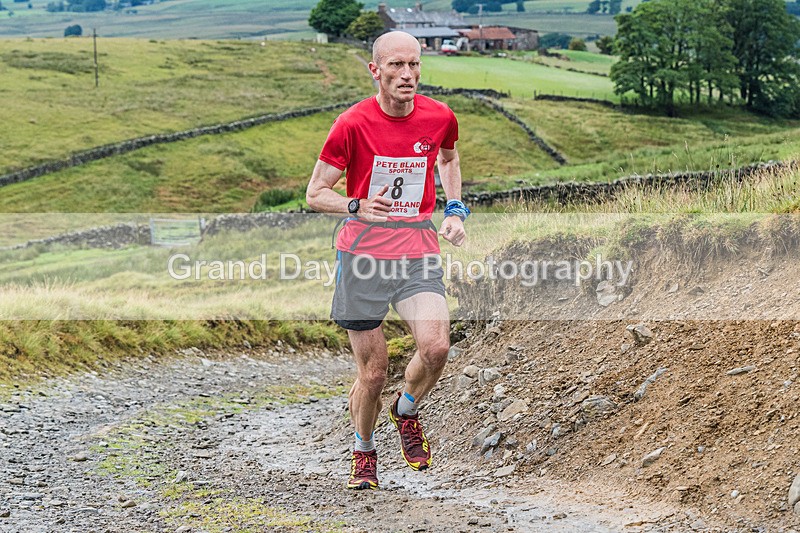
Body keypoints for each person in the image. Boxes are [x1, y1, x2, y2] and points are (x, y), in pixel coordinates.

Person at [306, 31, 470, 490]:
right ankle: (363, 450)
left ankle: (407, 410)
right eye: (396, 66)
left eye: (414, 64)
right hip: (362, 257)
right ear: (375, 71)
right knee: (373, 374)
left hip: (417, 248)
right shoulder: (351, 124)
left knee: (436, 347)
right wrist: (356, 205)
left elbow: (449, 159)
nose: (408, 75)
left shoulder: (440, 117)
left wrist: (455, 210)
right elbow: (315, 193)